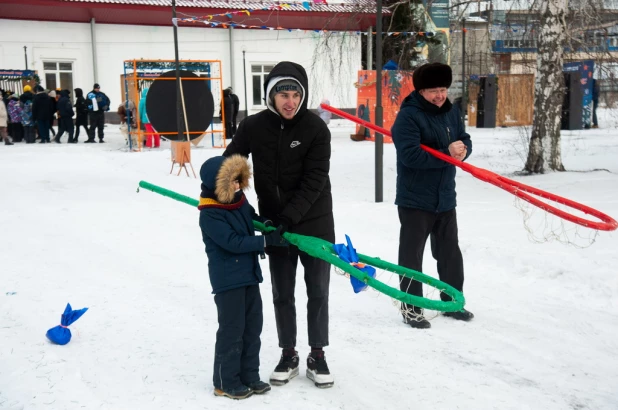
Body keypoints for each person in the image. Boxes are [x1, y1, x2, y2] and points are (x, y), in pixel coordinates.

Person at [223, 61, 335, 389]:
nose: (290, 101)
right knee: (282, 292)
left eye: (295, 94)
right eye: (282, 94)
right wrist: (219, 191)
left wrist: (289, 218)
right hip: (274, 225)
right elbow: (234, 161)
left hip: (314, 222)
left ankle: (317, 354)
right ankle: (289, 353)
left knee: (317, 291)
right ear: (270, 96)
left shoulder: (316, 129)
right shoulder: (254, 126)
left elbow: (315, 181)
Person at [391, 62, 473, 330]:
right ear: (421, 91)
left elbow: (463, 138)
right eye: (433, 91)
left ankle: (452, 302)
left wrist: (463, 149)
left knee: (449, 252)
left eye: (443, 89)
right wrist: (447, 153)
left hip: (445, 196)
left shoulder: (450, 111)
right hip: (415, 199)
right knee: (412, 255)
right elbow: (410, 155)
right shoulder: (408, 117)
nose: (440, 96)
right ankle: (411, 308)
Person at [198, 154, 287, 400]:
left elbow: (251, 216)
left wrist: (266, 224)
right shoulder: (210, 213)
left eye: (239, 180)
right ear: (218, 185)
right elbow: (232, 242)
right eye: (232, 182)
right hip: (228, 280)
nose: (238, 185)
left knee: (252, 327)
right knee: (232, 329)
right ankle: (225, 382)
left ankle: (249, 375)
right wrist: (265, 241)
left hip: (248, 274)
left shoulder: (237, 201)